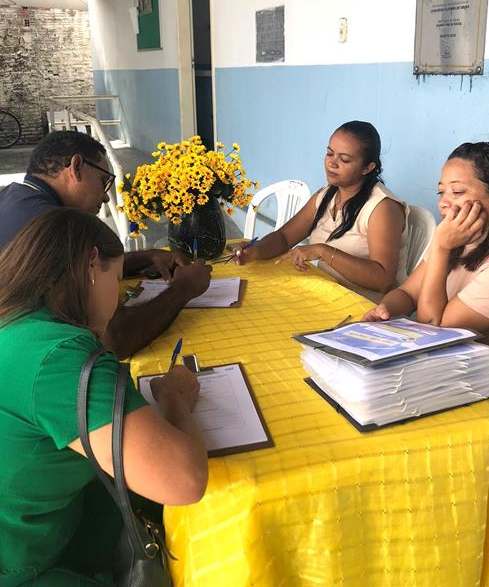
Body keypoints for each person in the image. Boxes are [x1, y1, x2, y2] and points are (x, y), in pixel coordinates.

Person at [0, 208, 208, 586]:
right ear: (92, 265)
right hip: (22, 563)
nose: (121, 295)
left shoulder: (15, 317)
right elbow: (184, 480)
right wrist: (175, 397)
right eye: (119, 279)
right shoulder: (57, 357)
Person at [363, 141, 489, 465]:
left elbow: (434, 331)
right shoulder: (460, 236)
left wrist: (441, 249)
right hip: (474, 367)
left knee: (398, 431)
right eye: (441, 192)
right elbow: (408, 293)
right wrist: (385, 309)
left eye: (457, 192)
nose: (444, 203)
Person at [0, 131, 211, 358]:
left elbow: (72, 267)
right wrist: (184, 288)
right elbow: (116, 338)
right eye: (104, 182)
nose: (106, 197)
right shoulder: (55, 228)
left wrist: (147, 257)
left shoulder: (13, 197)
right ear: (76, 167)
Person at [233, 121, 409, 301]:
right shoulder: (327, 195)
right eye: (329, 153)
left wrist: (323, 252)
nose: (332, 163)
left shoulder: (382, 208)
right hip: (327, 295)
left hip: (366, 307)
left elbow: (383, 280)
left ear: (368, 167)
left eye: (344, 159)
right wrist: (257, 250)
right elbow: (285, 237)